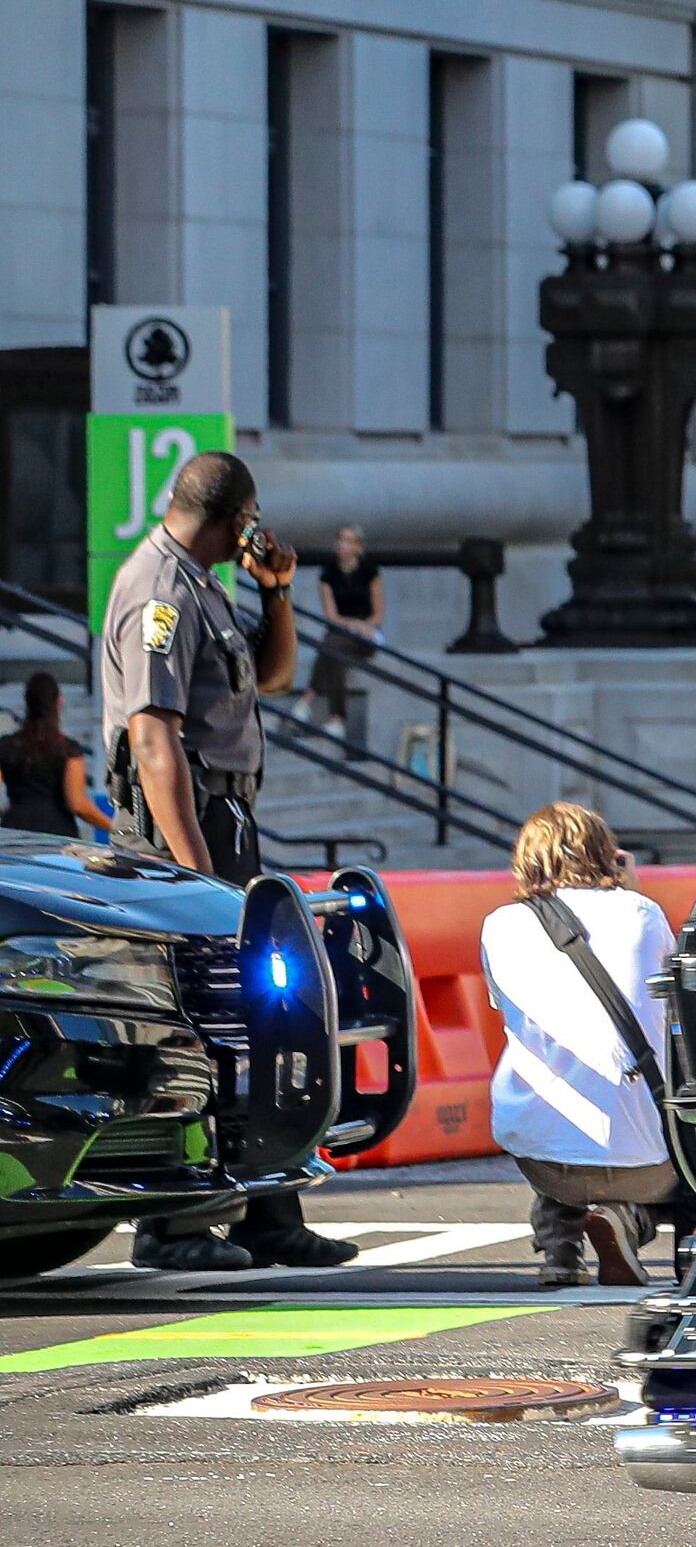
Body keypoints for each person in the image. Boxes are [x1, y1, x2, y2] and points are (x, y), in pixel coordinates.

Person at [97, 451, 354, 1272]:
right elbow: (151, 739)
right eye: (253, 520)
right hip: (182, 831)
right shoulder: (158, 590)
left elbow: (273, 675)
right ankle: (171, 1225)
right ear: (237, 516)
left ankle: (269, 1214)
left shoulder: (207, 586)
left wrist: (276, 590)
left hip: (224, 818)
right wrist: (195, 879)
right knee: (191, 1021)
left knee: (254, 1015)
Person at [478, 803, 693, 1287]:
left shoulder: (499, 924)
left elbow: (502, 1006)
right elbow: (673, 998)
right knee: (687, 1144)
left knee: (554, 1096)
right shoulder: (643, 913)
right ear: (605, 853)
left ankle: (559, 1252)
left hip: (544, 1160)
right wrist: (630, 887)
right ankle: (630, 1222)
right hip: (647, 1163)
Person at [3, 673, 114, 840]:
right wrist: (114, 828)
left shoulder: (6, 745)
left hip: (15, 832)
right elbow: (78, 804)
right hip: (58, 834)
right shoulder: (68, 749)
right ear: (59, 701)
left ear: (27, 703)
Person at [307, 526, 384, 745]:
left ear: (358, 547)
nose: (342, 545)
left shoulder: (370, 572)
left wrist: (363, 626)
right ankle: (337, 717)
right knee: (334, 648)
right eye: (340, 540)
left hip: (366, 635)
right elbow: (332, 616)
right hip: (340, 632)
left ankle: (309, 697)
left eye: (349, 541)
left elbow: (378, 615)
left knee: (330, 646)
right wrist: (353, 624)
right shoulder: (328, 574)